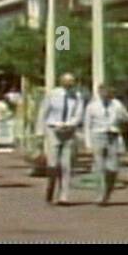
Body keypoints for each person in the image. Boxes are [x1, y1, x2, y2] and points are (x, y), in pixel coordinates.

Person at [41, 73, 85, 205]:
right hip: (53, 129)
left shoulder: (77, 96)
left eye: (71, 80)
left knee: (67, 165)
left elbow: (79, 113)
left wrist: (70, 124)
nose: (69, 83)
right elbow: (44, 112)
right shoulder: (53, 94)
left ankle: (64, 195)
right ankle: (51, 186)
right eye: (66, 80)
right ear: (61, 81)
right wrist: (41, 131)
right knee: (53, 164)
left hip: (69, 131)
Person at [83, 84, 128, 205]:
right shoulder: (92, 106)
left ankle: (108, 191)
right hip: (98, 135)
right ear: (99, 93)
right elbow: (87, 125)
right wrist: (88, 143)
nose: (105, 94)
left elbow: (126, 118)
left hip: (113, 136)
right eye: (102, 92)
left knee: (113, 168)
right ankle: (100, 195)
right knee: (99, 166)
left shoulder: (117, 104)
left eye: (107, 92)